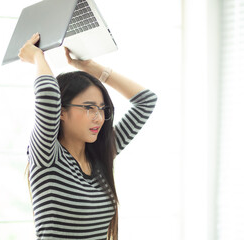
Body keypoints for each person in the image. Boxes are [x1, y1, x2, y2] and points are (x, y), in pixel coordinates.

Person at [20, 33, 157, 240]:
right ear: (61, 112)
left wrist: (88, 66)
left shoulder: (100, 155)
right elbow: (48, 96)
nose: (98, 118)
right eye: (88, 108)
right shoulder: (47, 156)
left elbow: (146, 101)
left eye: (101, 109)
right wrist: (38, 57)